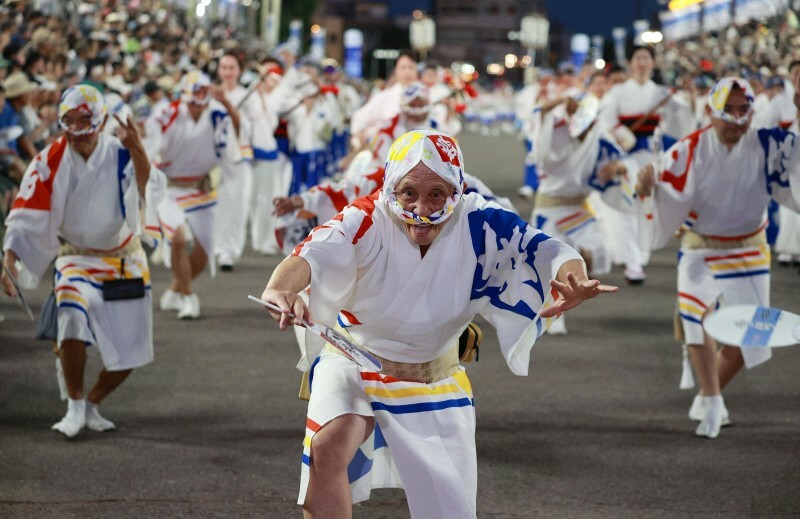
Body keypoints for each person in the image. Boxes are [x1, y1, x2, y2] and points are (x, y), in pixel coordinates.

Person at [259, 129, 617, 517]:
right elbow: (310, 253)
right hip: (354, 357)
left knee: (449, 509)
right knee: (328, 448)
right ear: (392, 187)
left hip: (433, 374)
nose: (422, 207)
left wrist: (574, 276)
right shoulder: (365, 217)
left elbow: (546, 247)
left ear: (457, 191)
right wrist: (280, 289)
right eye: (409, 192)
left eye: (437, 194)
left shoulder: (480, 221)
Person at [635, 77, 800, 439]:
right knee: (696, 321)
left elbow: (796, 170)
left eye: (744, 111)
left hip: (750, 249)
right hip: (701, 246)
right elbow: (665, 194)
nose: (736, 119)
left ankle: (709, 393)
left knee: (753, 337)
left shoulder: (770, 145)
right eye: (728, 110)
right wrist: (647, 190)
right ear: (710, 111)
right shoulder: (688, 149)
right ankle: (711, 401)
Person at [1, 84, 164, 438]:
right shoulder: (49, 159)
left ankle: (92, 404)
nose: (76, 130)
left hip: (125, 260)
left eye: (84, 120)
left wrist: (136, 146)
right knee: (72, 319)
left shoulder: (120, 152)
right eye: (68, 121)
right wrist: (10, 258)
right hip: (76, 260)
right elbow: (24, 211)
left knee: (131, 351)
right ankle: (74, 405)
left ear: (101, 119)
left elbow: (147, 188)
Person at [146, 70, 239, 319]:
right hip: (169, 188)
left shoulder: (218, 114)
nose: (200, 98)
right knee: (177, 238)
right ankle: (189, 297)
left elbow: (232, 150)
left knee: (204, 251)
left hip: (201, 189)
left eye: (204, 91)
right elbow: (149, 148)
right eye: (196, 92)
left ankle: (175, 290)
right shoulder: (167, 113)